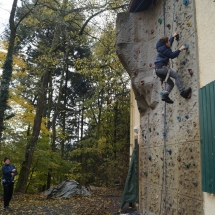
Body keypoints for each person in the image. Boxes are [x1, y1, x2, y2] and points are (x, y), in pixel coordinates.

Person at [154, 33, 191, 104]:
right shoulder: (165, 49)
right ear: (165, 43)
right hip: (162, 68)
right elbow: (172, 55)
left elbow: (168, 44)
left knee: (171, 84)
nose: (169, 42)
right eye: (168, 41)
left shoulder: (161, 45)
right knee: (177, 76)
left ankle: (165, 95)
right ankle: (183, 92)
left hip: (158, 70)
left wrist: (173, 37)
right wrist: (180, 49)